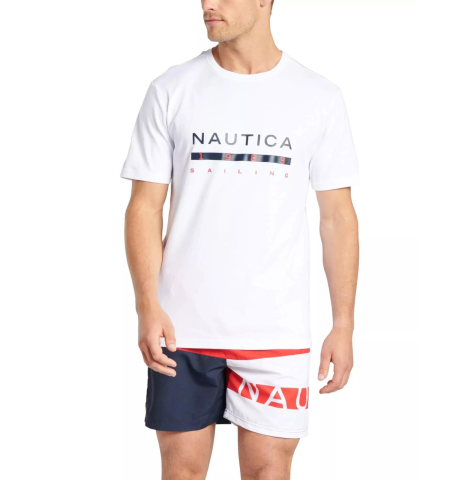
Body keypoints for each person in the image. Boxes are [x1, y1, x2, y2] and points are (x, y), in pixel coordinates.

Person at [121, 0, 359, 478]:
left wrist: (344, 324)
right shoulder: (171, 89)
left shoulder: (318, 96)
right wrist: (147, 306)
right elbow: (144, 207)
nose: (208, 4)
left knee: (268, 470)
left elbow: (337, 217)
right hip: (182, 329)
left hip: (275, 331)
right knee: (182, 470)